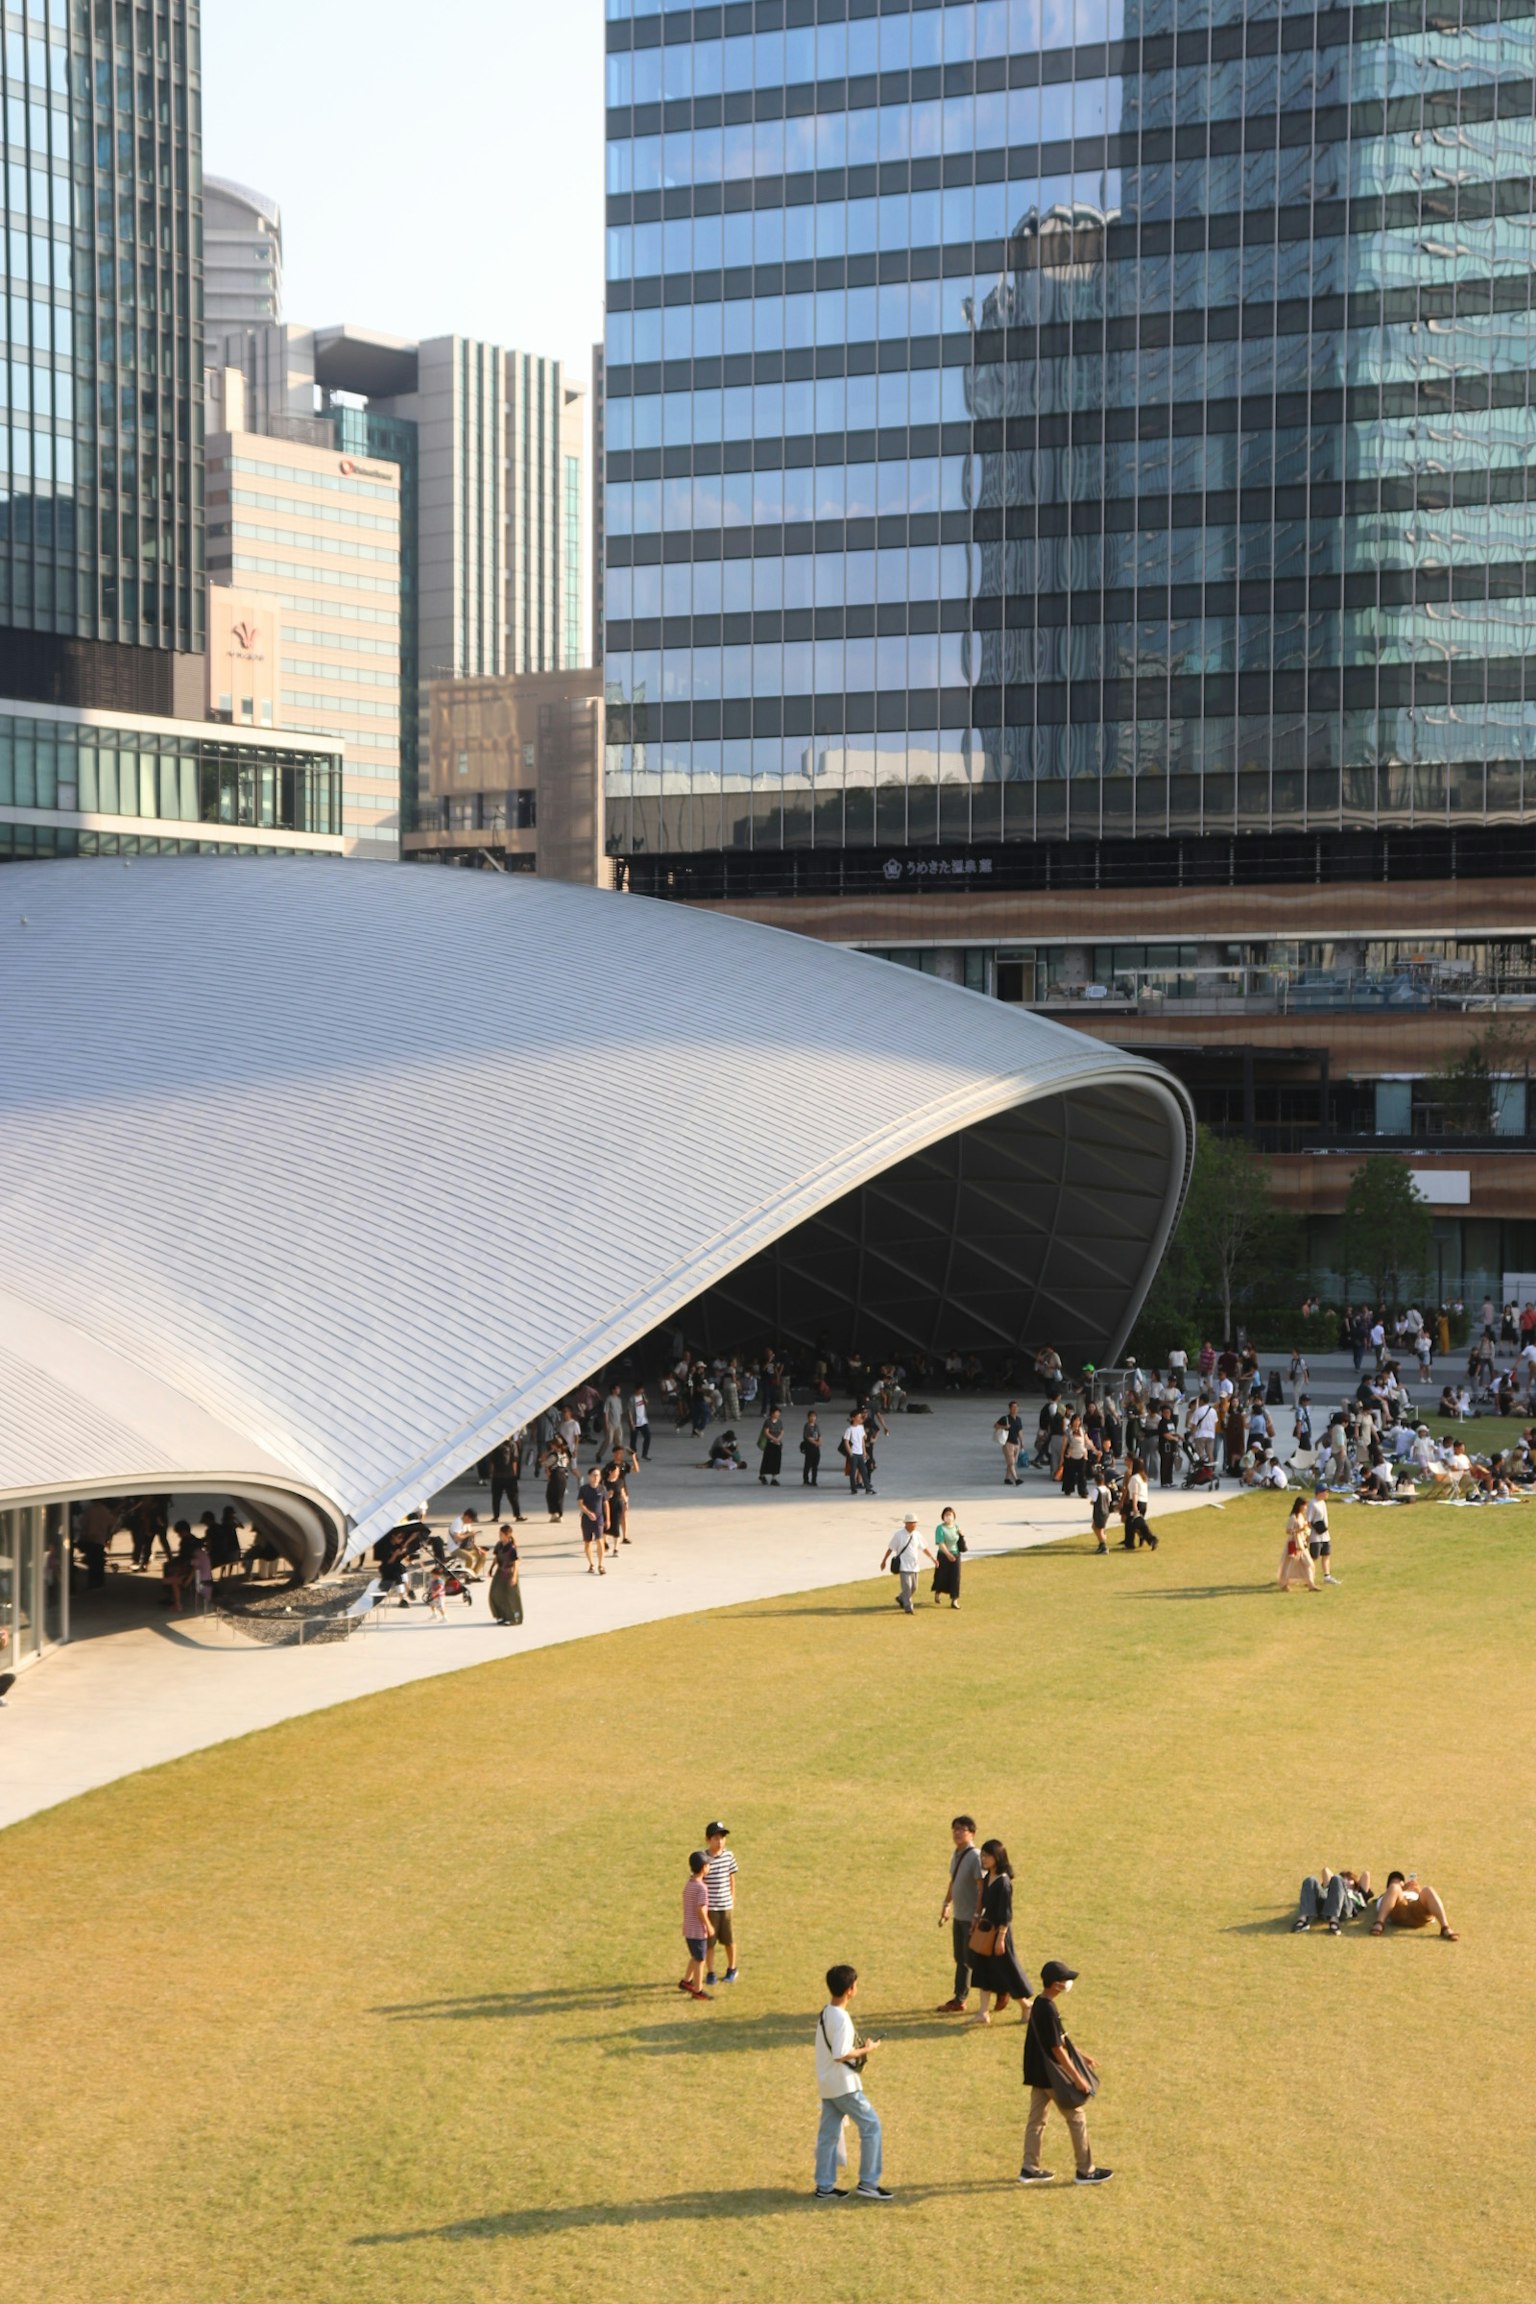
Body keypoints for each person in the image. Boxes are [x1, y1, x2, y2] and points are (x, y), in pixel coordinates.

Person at [1019, 1961, 1112, 2185]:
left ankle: (1029, 2168)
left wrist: (1082, 2056)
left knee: (1036, 2121)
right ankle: (1085, 2171)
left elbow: (1060, 2039)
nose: (1068, 1983)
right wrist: (1078, 2079)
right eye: (1065, 1980)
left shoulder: (1040, 2004)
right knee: (1076, 2118)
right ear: (1056, 1985)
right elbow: (1057, 2049)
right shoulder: (1048, 2009)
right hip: (1052, 2077)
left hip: (1038, 2073)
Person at [814, 1964, 891, 2201]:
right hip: (844, 2086)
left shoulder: (826, 2012)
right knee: (872, 2126)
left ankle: (824, 2187)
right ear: (850, 1989)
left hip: (828, 2084)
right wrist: (867, 2049)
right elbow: (840, 2053)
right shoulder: (842, 2018)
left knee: (828, 2134)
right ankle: (869, 2182)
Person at [966, 1839, 1034, 2024]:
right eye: (983, 1856)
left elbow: (1006, 1914)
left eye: (987, 1856)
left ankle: (1026, 2005)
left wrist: (1000, 1939)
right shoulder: (989, 1876)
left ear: (997, 1857)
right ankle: (983, 2012)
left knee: (1007, 1971)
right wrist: (976, 1919)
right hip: (987, 1929)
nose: (984, 1859)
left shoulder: (1003, 1883)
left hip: (998, 1933)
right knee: (983, 1970)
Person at [938, 1815, 982, 2012]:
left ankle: (962, 1998)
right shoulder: (956, 1854)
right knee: (961, 1958)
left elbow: (982, 1888)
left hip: (971, 1918)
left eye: (962, 1829)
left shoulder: (975, 1857)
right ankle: (960, 1998)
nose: (957, 1833)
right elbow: (953, 1881)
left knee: (972, 1959)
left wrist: (976, 1916)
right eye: (954, 1829)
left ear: (971, 1833)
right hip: (959, 1915)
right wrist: (947, 1903)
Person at [703, 1821, 740, 1985]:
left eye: (722, 1838)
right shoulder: (703, 1859)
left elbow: (731, 1878)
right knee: (709, 1943)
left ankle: (732, 1968)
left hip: (725, 1906)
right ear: (708, 1839)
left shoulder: (728, 1856)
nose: (720, 1842)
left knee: (728, 1940)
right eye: (716, 1838)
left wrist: (732, 1898)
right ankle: (711, 1972)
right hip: (710, 1908)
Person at [1371, 1871, 1458, 1939]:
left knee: (1428, 1889)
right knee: (1394, 1887)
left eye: (1401, 1881)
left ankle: (1445, 1928)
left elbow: (1427, 1901)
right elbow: (1382, 1905)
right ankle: (1379, 1923)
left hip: (1418, 1909)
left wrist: (1416, 1889)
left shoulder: (1414, 1891)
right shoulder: (1387, 1894)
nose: (1399, 1883)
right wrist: (1396, 1888)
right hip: (1399, 1910)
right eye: (1394, 1881)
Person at [881, 1512, 936, 1615]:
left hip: (914, 1566)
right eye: (912, 1523)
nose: (914, 1525)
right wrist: (884, 1561)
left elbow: (924, 1548)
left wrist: (933, 1558)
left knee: (914, 1587)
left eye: (915, 1523)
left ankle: (901, 1598)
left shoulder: (917, 1535)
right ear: (906, 1523)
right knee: (907, 1587)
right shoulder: (899, 1535)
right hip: (903, 1565)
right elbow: (890, 1548)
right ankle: (908, 1607)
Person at [1293, 1866, 1372, 1934]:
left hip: (1344, 1910)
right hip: (1325, 1906)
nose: (1345, 1880)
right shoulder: (1331, 1887)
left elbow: (1366, 1874)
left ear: (1356, 1884)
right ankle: (1303, 1920)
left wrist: (1341, 1881)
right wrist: (1334, 1883)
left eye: (1349, 1879)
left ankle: (1334, 1920)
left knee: (1337, 1878)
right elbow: (1325, 1870)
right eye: (1344, 1878)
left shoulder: (1358, 1893)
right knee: (1310, 1880)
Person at [680, 1850, 715, 2002]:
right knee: (700, 1960)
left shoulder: (689, 1883)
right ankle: (698, 1989)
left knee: (695, 1956)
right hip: (698, 1931)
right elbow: (701, 1909)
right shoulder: (702, 1888)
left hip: (688, 1929)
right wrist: (709, 1926)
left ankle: (686, 1981)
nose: (709, 1868)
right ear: (702, 1868)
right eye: (708, 1865)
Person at [1278, 1498, 1318, 1591]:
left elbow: (1305, 1529)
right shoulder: (1293, 1517)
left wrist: (1306, 1533)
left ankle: (1311, 1584)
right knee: (1291, 1565)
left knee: (1309, 1564)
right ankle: (1285, 1583)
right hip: (1295, 1543)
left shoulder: (1301, 1516)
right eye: (1304, 1505)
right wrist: (1300, 1530)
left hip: (1302, 1544)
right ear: (1300, 1506)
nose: (1306, 1507)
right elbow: (1288, 1530)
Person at [488, 1524, 523, 1625]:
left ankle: (513, 1618)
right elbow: (496, 1558)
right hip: (500, 1572)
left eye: (502, 1534)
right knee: (495, 1593)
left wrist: (514, 1577)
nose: (500, 1535)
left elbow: (515, 1563)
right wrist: (491, 1568)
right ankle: (501, 1615)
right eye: (499, 1533)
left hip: (509, 1572)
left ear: (508, 1535)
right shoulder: (499, 1544)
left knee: (509, 1596)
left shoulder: (511, 1548)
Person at [1120, 1457, 1157, 1549]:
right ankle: (1132, 1542)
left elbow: (1134, 1493)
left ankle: (1149, 1539)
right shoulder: (1143, 1478)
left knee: (1132, 1523)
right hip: (1144, 1501)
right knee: (1133, 1523)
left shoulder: (1134, 1478)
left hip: (1137, 1502)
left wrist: (1134, 1506)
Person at [487, 1436, 524, 1523]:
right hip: (509, 1475)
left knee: (496, 1497)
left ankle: (496, 1516)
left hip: (497, 1475)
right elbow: (514, 1461)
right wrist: (514, 1475)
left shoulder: (495, 1444)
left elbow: (492, 1461)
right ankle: (517, 1515)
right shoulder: (512, 1445)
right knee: (513, 1497)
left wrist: (492, 1474)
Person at [931, 1507, 963, 1607]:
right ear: (943, 1517)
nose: (948, 1517)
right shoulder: (940, 1528)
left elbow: (959, 1540)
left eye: (950, 1515)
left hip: (955, 1554)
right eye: (946, 1515)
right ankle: (938, 1592)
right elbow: (941, 1543)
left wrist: (961, 1535)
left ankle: (954, 1600)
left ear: (954, 1517)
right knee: (941, 1576)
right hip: (943, 1555)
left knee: (956, 1577)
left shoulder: (956, 1527)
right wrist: (948, 1554)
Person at [579, 1469, 607, 1574]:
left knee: (600, 1541)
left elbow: (605, 1504)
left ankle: (601, 1565)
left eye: (598, 1475)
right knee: (588, 1543)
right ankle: (591, 1564)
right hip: (586, 1519)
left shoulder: (602, 1488)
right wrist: (588, 1513)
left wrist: (607, 1518)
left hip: (599, 1519)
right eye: (594, 1475)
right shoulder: (584, 1489)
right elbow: (580, 1503)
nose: (596, 1477)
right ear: (589, 1476)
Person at [1307, 1491, 1338, 1584]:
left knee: (1326, 1555)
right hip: (1315, 1535)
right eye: (1325, 1492)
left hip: (1325, 1535)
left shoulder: (1323, 1503)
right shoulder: (1312, 1504)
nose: (1327, 1494)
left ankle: (1327, 1576)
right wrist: (1307, 1535)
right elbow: (1308, 1520)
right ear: (1319, 1493)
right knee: (1314, 1557)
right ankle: (1308, 1576)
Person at [841, 1410, 870, 1496]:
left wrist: (864, 1451)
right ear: (853, 1418)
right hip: (853, 1453)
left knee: (864, 1471)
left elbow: (862, 1440)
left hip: (860, 1453)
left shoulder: (861, 1427)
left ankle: (868, 1489)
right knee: (853, 1472)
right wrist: (850, 1453)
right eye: (858, 1416)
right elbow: (846, 1441)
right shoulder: (849, 1429)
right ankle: (853, 1489)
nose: (860, 1418)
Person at [541, 1436, 571, 1523]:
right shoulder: (564, 1454)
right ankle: (557, 1514)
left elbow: (544, 1463)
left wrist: (546, 1454)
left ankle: (557, 1514)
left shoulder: (554, 1455)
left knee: (552, 1495)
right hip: (563, 1476)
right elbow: (567, 1463)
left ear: (555, 1445)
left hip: (556, 1475)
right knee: (559, 1496)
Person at [996, 1400, 1024, 1485]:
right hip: (1008, 1443)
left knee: (1012, 1462)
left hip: (1016, 1443)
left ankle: (1007, 1478)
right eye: (1013, 1407)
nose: (1015, 1409)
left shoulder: (1018, 1419)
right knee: (1011, 1462)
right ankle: (1016, 1479)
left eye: (1016, 1407)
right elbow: (995, 1425)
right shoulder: (1005, 1418)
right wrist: (1004, 1426)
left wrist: (1022, 1441)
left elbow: (1020, 1431)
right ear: (1010, 1408)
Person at [757, 1406, 785, 1487]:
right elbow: (766, 1432)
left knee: (776, 1461)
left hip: (777, 1443)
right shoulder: (768, 1422)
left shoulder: (779, 1422)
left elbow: (782, 1431)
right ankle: (762, 1475)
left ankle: (774, 1478)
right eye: (776, 1412)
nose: (778, 1414)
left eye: (778, 1413)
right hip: (769, 1443)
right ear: (772, 1413)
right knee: (767, 1460)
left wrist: (778, 1439)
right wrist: (773, 1439)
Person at [629, 1387, 652, 1461]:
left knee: (648, 1436)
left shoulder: (643, 1396)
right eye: (641, 1389)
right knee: (633, 1440)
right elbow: (629, 1411)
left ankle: (644, 1454)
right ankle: (633, 1455)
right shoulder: (632, 1399)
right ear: (637, 1389)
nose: (642, 1391)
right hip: (635, 1422)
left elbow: (647, 1403)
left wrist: (644, 1399)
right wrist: (631, 1422)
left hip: (643, 1421)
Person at [800, 1410, 823, 1487]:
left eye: (814, 1416)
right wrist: (816, 1443)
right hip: (809, 1447)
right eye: (811, 1416)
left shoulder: (816, 1426)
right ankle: (806, 1480)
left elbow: (820, 1435)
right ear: (808, 1417)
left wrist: (820, 1441)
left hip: (816, 1447)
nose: (813, 1418)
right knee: (808, 1464)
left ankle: (814, 1480)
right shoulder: (807, 1426)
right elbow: (808, 1437)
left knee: (815, 1465)